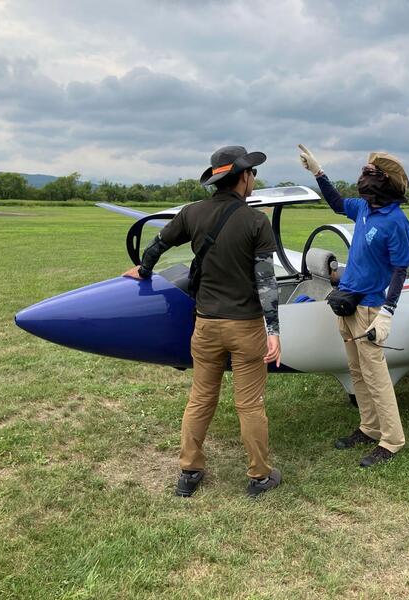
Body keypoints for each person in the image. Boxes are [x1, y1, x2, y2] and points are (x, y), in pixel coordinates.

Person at [123, 145, 282, 498]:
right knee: (250, 403)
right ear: (243, 177)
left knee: (200, 398)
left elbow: (157, 244)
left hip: (206, 325)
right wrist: (274, 331)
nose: (254, 179)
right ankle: (259, 476)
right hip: (246, 326)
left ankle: (190, 471)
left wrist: (144, 269)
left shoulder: (192, 213)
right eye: (252, 173)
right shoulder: (257, 221)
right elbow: (266, 283)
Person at [297, 144, 409, 467]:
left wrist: (387, 313)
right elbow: (336, 203)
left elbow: (400, 269)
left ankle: (391, 440)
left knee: (376, 375)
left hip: (371, 309)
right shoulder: (363, 208)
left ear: (386, 182)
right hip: (347, 305)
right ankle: (369, 426)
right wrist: (318, 173)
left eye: (371, 173)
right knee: (357, 372)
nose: (364, 177)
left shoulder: (396, 222)